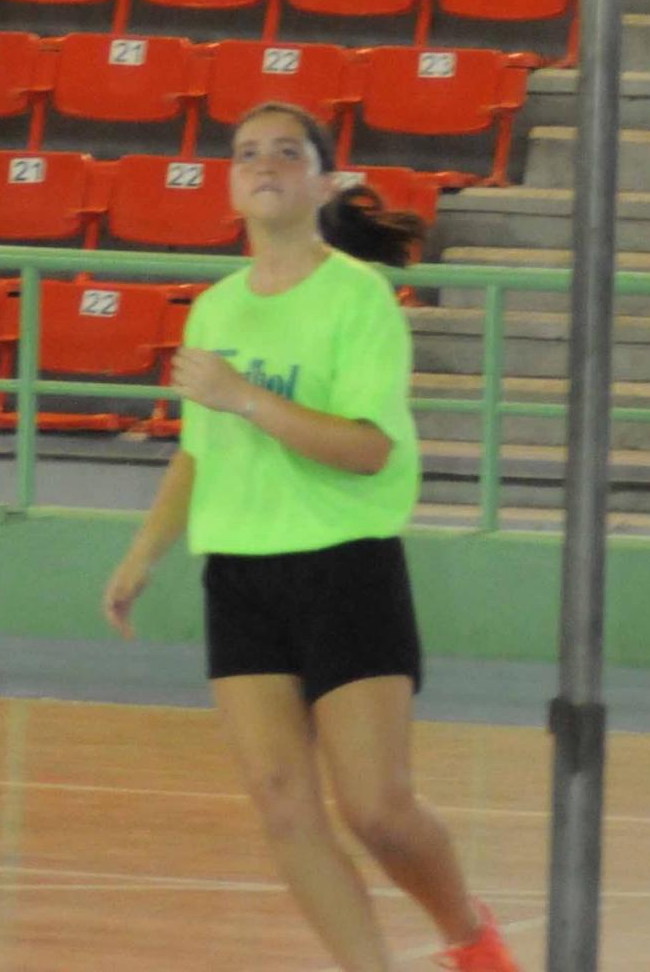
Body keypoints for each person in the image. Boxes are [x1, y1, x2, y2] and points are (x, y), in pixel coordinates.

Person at [102, 103, 525, 972]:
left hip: (344, 566)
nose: (264, 164)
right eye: (247, 153)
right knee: (282, 805)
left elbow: (368, 448)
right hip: (242, 575)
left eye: (286, 153)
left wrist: (246, 397)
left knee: (375, 808)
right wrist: (144, 551)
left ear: (321, 181)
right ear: (229, 183)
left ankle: (467, 936)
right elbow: (197, 451)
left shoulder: (358, 298)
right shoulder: (214, 310)